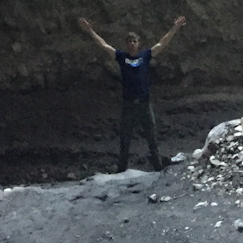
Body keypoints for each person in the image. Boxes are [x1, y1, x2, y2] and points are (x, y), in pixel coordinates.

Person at [78, 14, 186, 172]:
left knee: (151, 137)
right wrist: (90, 31)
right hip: (129, 104)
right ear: (126, 44)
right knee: (125, 139)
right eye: (129, 42)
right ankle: (121, 170)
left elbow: (162, 43)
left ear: (138, 43)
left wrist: (175, 27)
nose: (132, 44)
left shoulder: (145, 56)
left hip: (144, 104)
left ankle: (158, 167)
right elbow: (104, 46)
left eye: (134, 41)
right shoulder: (122, 57)